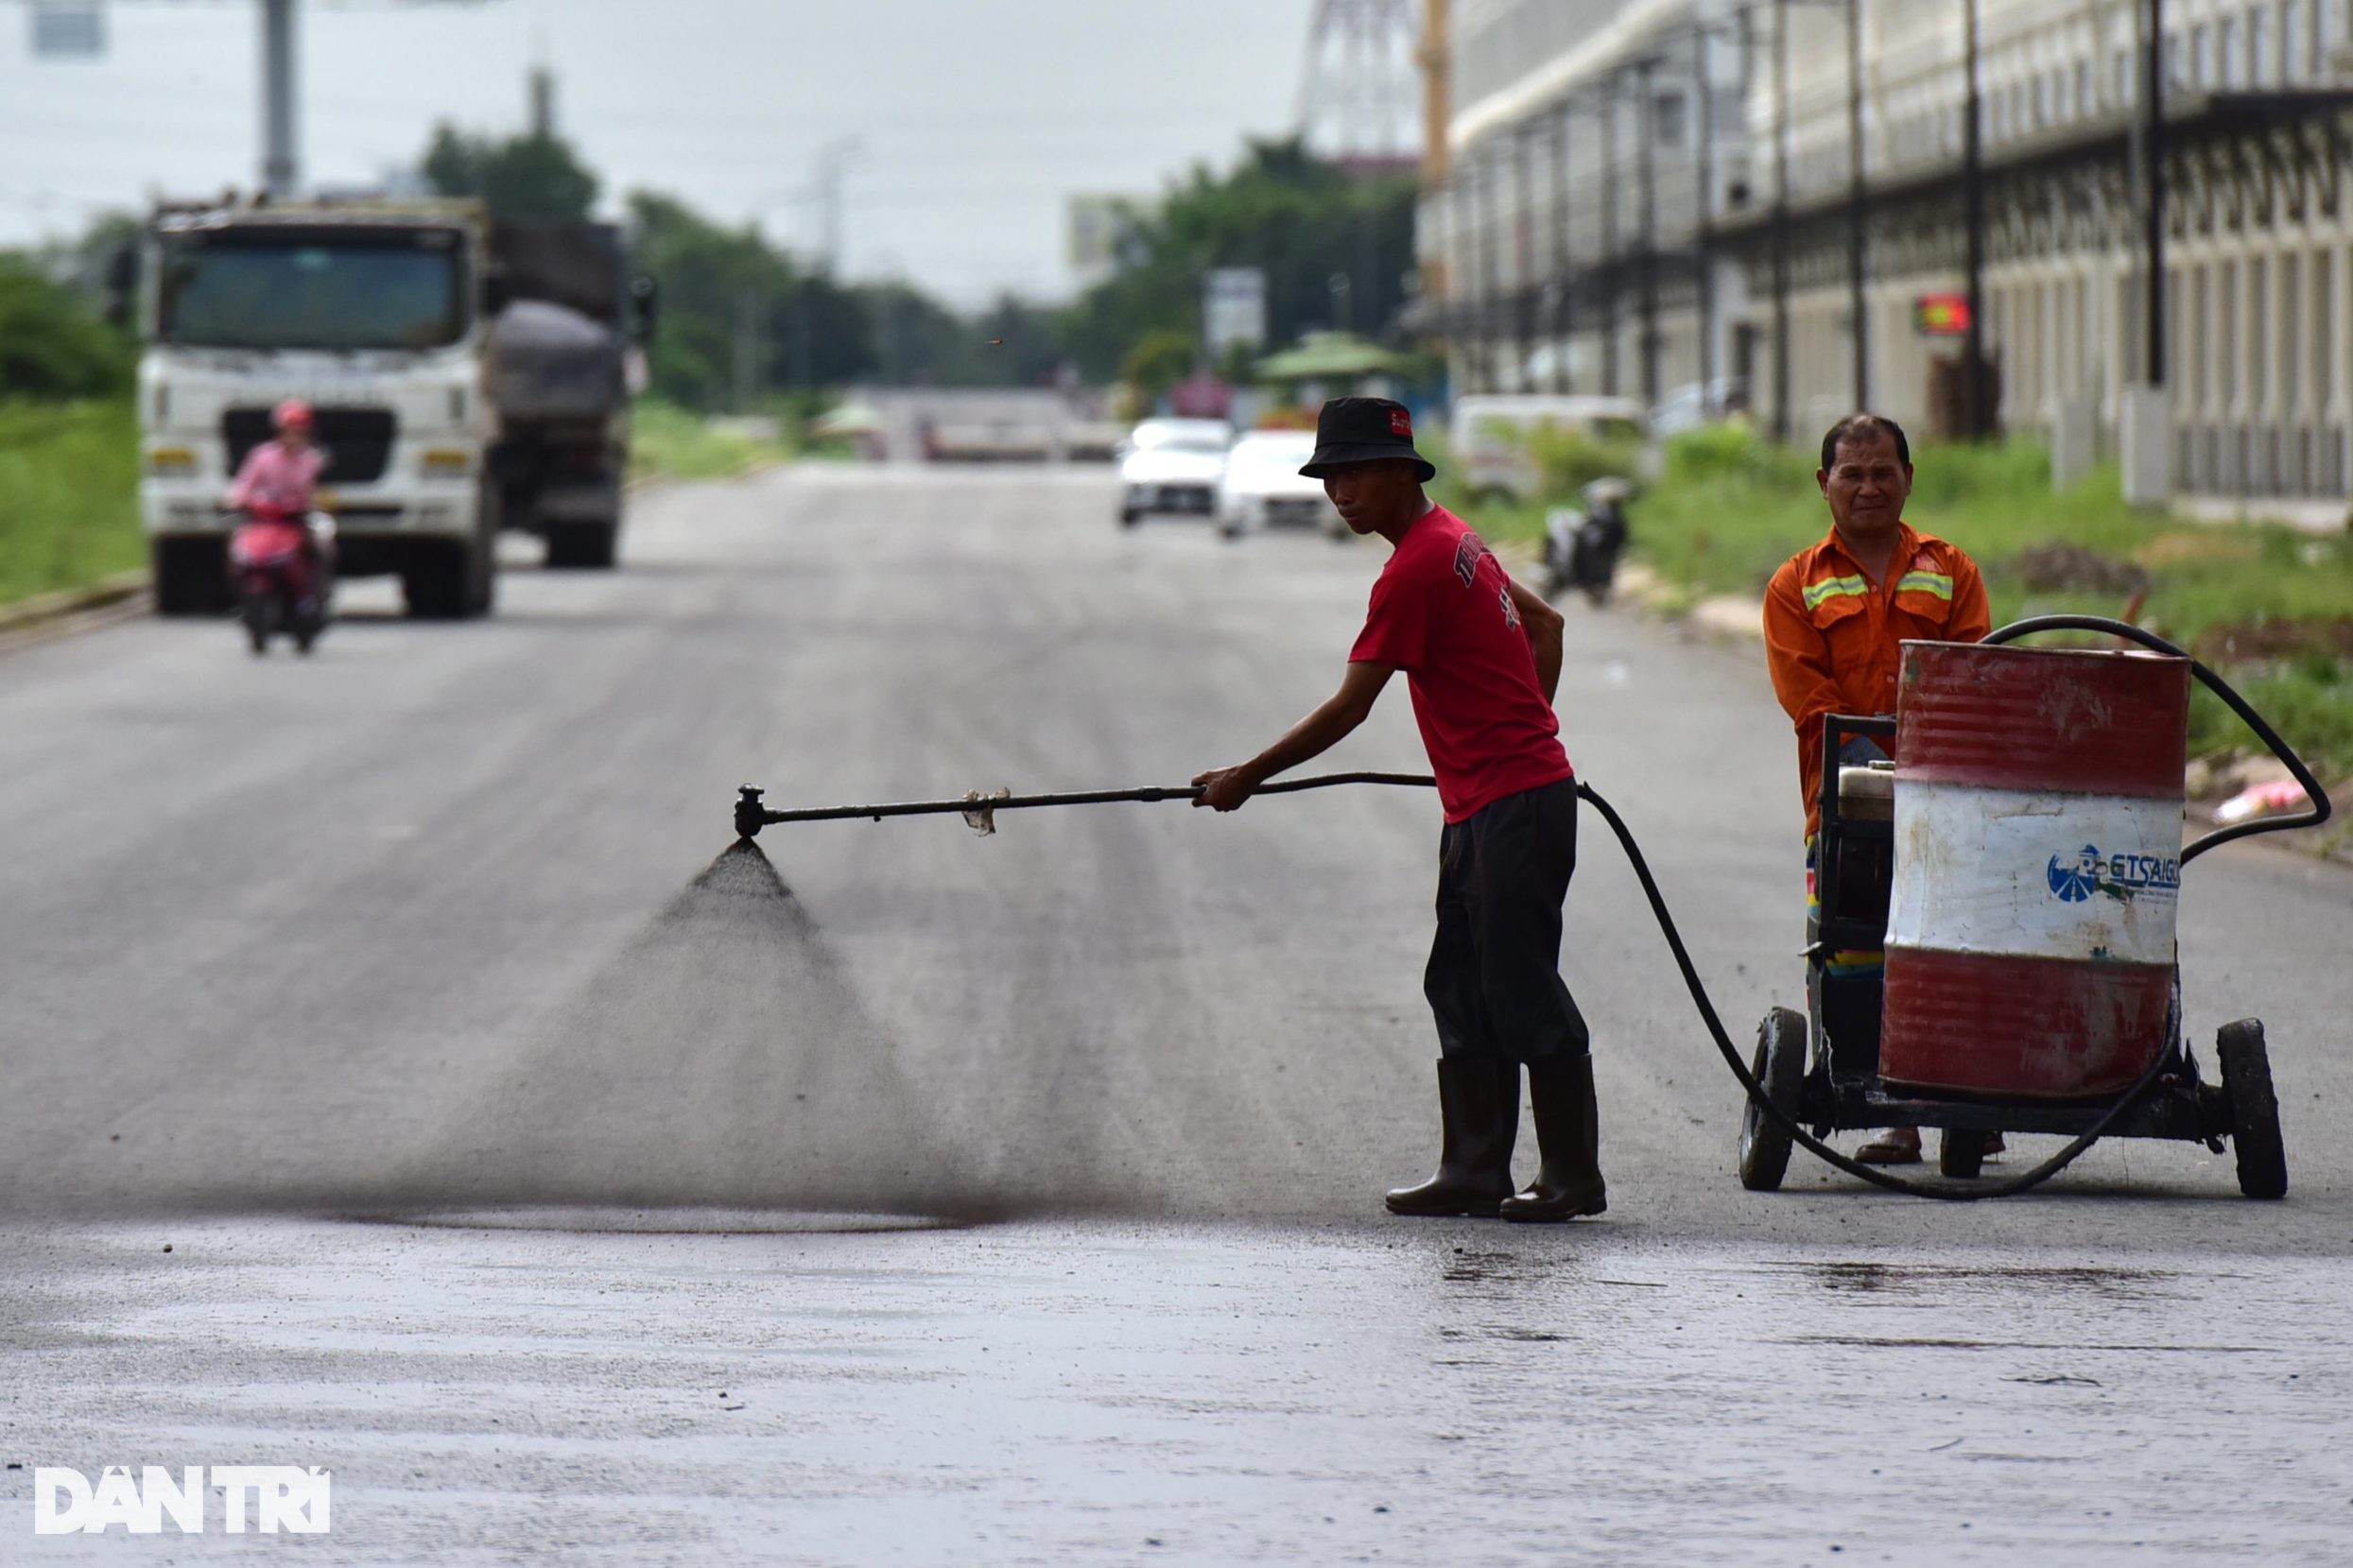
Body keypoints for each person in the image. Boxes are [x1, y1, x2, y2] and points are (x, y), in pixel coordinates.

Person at [1193, 396, 1604, 1221]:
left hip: (1512, 805)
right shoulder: (1456, 538)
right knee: (1457, 982)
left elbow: (1350, 708)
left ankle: (1572, 1176)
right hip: (1496, 800)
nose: (1339, 491)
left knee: (1518, 986)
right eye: (1328, 476)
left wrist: (1248, 775)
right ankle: (1475, 1168)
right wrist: (1515, 737)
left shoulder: (1415, 566)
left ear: (1399, 472)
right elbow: (1545, 623)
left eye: (1353, 473)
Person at [1763, 414, 1990, 1165]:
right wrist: (1874, 778)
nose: (1867, 486)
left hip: (1948, 804)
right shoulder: (1794, 585)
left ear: (1907, 478)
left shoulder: (1950, 570)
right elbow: (1810, 701)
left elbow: (1968, 678)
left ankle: (1966, 1097)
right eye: (1851, 473)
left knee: (1948, 951)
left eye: (1881, 471)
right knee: (1856, 956)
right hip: (1841, 813)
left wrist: (1924, 772)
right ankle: (1893, 1112)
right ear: (1821, 483)